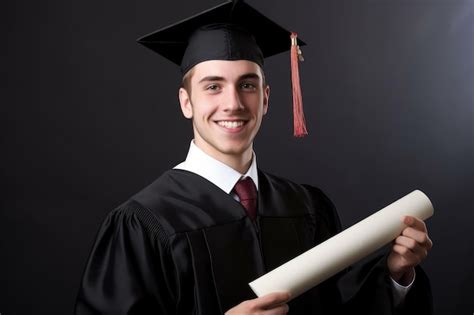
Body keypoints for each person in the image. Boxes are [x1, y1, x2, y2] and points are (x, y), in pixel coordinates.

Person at [75, 1, 433, 314]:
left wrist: (397, 274)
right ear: (187, 102)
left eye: (247, 85)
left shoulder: (308, 207)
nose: (233, 103)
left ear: (265, 98)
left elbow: (342, 306)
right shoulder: (143, 222)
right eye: (213, 86)